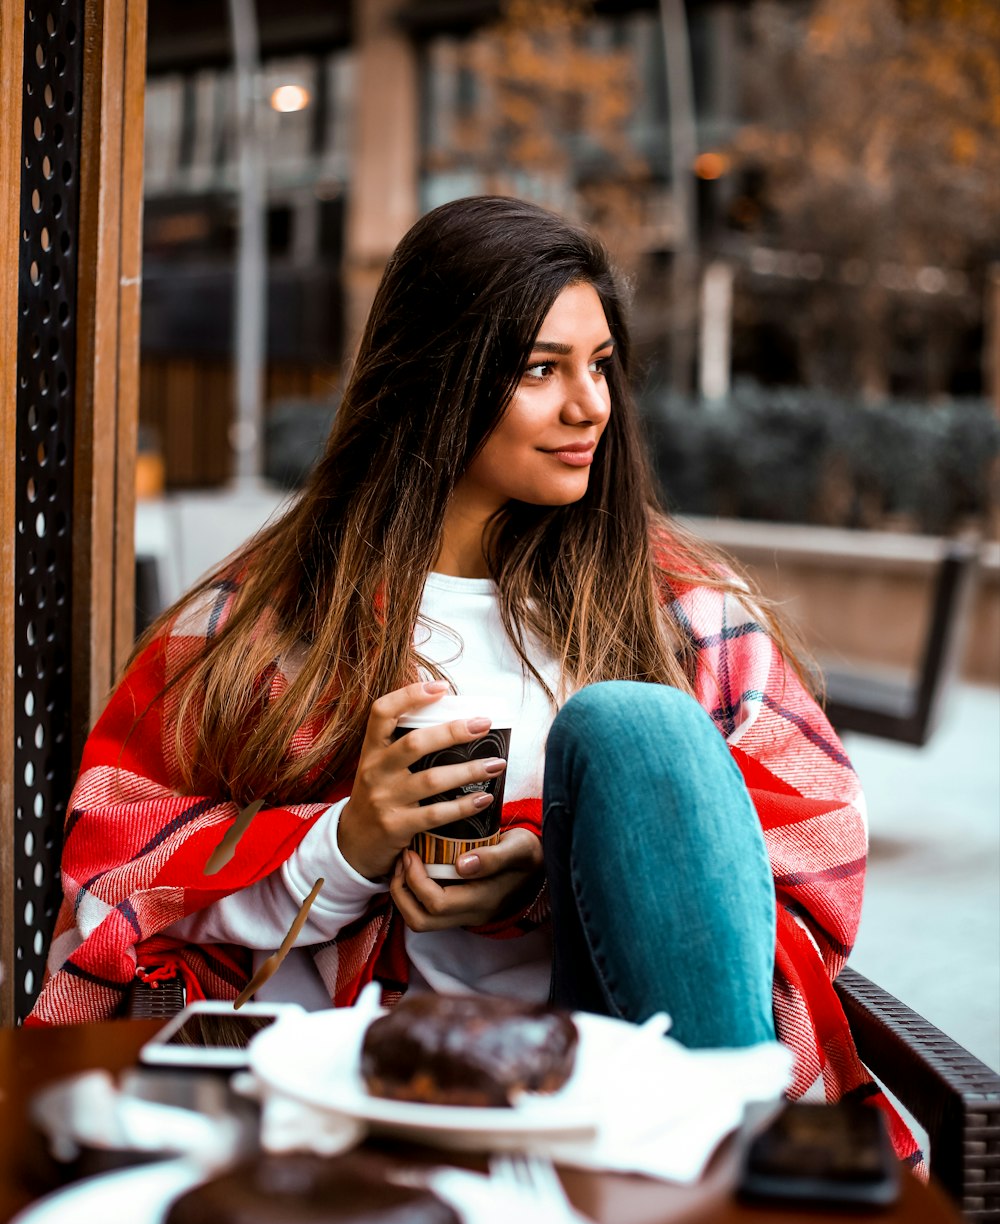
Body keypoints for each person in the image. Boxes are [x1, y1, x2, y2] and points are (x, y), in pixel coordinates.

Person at [28, 196, 918, 1166]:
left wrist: (556, 859)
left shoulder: (678, 604)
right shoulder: (266, 625)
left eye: (599, 365)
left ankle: (722, 1182)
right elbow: (113, 883)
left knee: (635, 731)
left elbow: (822, 833)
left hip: (624, 1089)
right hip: (363, 1090)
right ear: (437, 377)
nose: (589, 407)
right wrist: (346, 845)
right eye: (542, 369)